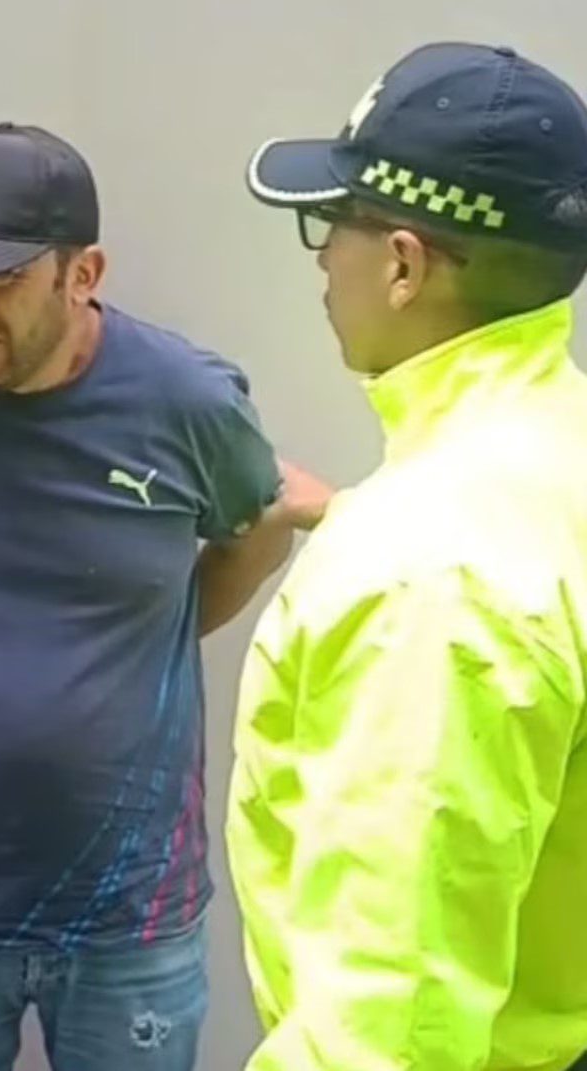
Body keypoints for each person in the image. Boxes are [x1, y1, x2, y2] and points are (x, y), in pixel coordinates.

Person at [0, 121, 329, 1071]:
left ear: (84, 274)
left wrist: (154, 633)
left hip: (132, 912)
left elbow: (258, 520)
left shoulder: (189, 401)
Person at [228, 42, 587, 1071]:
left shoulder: (425, 574)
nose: (319, 261)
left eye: (329, 223)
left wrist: (374, 542)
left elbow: (392, 1022)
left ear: (401, 264)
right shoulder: (551, 451)